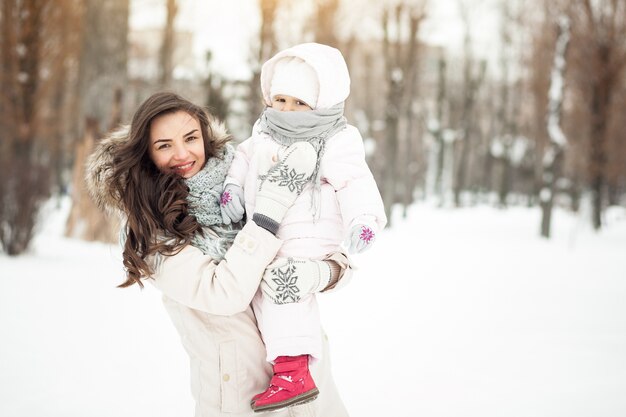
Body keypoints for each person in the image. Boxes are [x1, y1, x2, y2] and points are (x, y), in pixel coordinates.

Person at [85, 92, 352, 417]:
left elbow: (327, 251)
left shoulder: (244, 184)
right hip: (241, 402)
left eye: (190, 138)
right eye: (164, 145)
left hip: (314, 395)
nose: (182, 154)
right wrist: (267, 215)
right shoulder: (151, 233)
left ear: (205, 138)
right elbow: (224, 295)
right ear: (146, 155)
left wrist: (321, 273)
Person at [219, 43, 387, 412]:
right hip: (263, 232)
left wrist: (364, 221)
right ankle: (284, 369)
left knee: (287, 291)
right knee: (263, 296)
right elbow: (241, 162)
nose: (287, 110)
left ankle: (295, 371)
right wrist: (232, 189)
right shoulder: (262, 132)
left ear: (321, 103)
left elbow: (355, 182)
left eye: (299, 103)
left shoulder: (335, 139)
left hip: (307, 235)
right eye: (280, 99)